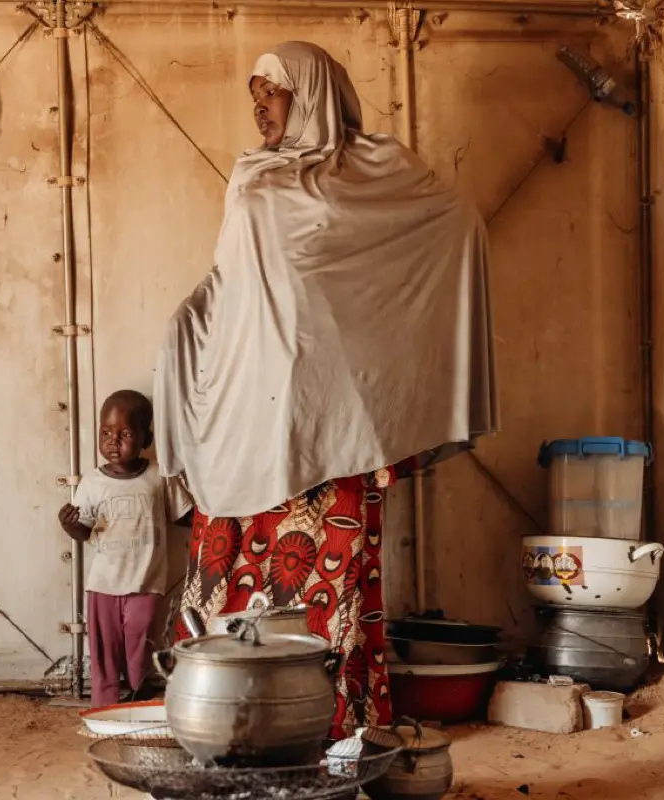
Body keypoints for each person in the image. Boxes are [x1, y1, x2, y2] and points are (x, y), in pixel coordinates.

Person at [154, 41, 498, 738]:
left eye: (271, 93)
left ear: (310, 92)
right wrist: (190, 314)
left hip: (330, 420)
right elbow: (235, 278)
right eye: (253, 95)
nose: (259, 108)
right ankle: (238, 727)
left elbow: (453, 223)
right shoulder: (252, 175)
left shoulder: (374, 171)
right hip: (246, 414)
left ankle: (339, 733)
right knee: (238, 587)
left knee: (330, 592)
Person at [58, 390, 193, 709]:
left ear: (146, 438)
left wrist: (214, 513)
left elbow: (185, 516)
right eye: (106, 433)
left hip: (146, 583)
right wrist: (69, 525)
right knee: (104, 649)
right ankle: (103, 707)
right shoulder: (92, 482)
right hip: (103, 583)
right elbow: (84, 530)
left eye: (125, 434)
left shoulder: (159, 476)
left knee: (139, 641)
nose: (113, 441)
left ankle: (136, 693)